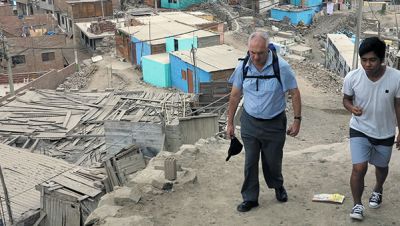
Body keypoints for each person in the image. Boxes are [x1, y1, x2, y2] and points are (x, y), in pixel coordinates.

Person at [227, 31, 302, 212]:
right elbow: (235, 95)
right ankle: (250, 198)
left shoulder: (281, 67)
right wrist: (229, 123)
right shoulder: (243, 67)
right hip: (250, 122)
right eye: (252, 52)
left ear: (267, 49)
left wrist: (297, 120)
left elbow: (295, 93)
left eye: (260, 52)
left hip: (274, 123)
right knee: (250, 162)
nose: (255, 56)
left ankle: (277, 185)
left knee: (272, 161)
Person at [342, 37, 400, 221]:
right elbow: (346, 99)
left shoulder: (396, 77)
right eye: (364, 60)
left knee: (381, 167)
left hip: (385, 131)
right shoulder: (352, 77)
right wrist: (351, 108)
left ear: (382, 59)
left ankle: (378, 188)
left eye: (372, 60)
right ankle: (357, 205)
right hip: (359, 129)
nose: (367, 64)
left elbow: (399, 106)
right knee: (359, 168)